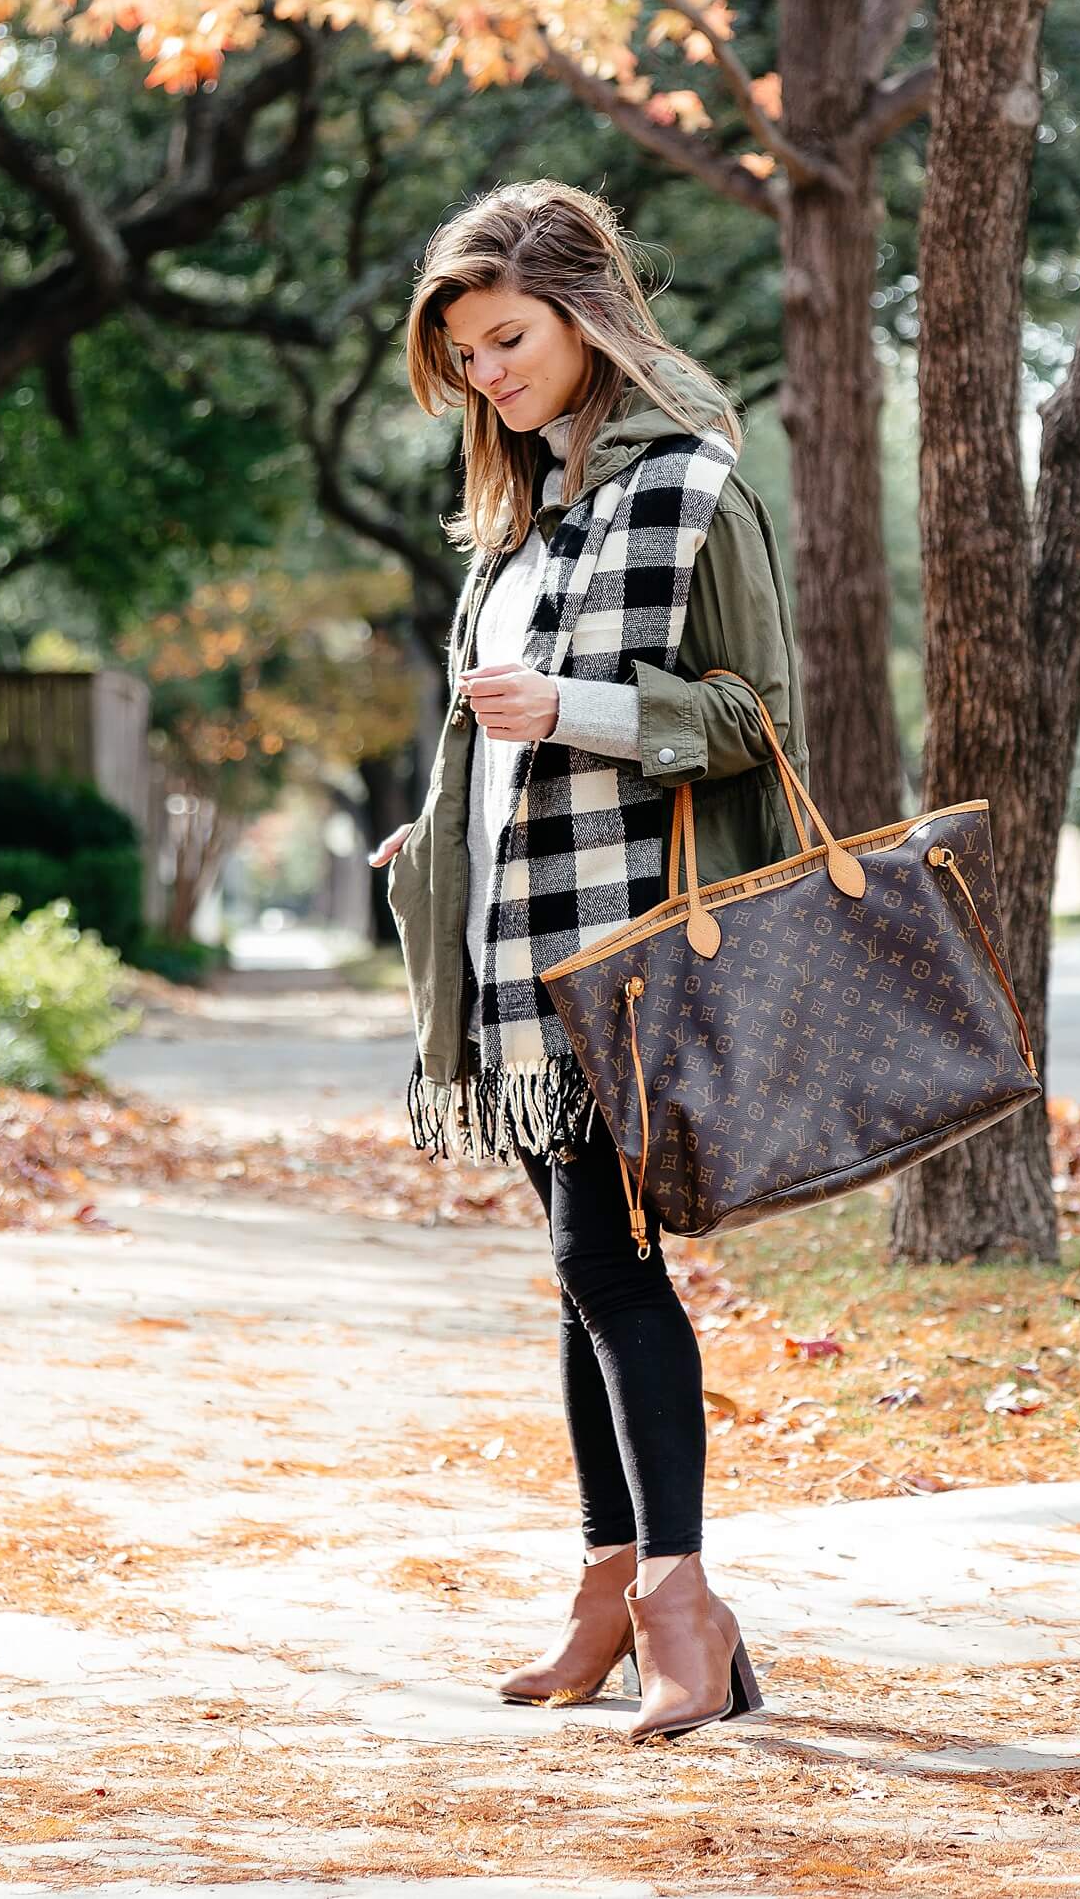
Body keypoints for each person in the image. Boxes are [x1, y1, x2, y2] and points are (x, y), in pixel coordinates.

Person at [367, 178, 807, 1742]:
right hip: (520, 956)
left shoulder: (692, 487)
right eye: (469, 357)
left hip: (634, 952)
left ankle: (681, 1603)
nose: (489, 375)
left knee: (611, 1274)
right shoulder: (521, 519)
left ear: (586, 314)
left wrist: (574, 713)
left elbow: (758, 718)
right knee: (578, 1280)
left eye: (508, 339)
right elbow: (488, 735)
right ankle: (610, 1591)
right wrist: (444, 824)